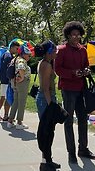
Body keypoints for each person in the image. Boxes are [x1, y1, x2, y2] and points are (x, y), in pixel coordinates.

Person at [54, 21, 95, 164]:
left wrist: (86, 71)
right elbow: (57, 69)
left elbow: (86, 65)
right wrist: (73, 73)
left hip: (81, 88)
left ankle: (83, 149)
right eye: (73, 35)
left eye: (78, 35)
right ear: (68, 35)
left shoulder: (83, 50)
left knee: (83, 119)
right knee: (68, 121)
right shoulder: (61, 50)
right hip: (68, 89)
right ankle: (71, 153)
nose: (76, 37)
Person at [35, 40, 61, 170]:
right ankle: (45, 163)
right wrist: (52, 106)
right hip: (46, 100)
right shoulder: (46, 65)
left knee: (49, 131)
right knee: (47, 131)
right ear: (49, 52)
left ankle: (47, 160)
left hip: (47, 99)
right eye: (54, 50)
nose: (56, 52)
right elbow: (45, 88)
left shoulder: (46, 63)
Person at [7, 45, 32, 130]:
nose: (29, 56)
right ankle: (19, 122)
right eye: (28, 55)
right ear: (23, 54)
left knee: (16, 102)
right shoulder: (21, 60)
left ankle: (10, 121)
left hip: (15, 83)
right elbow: (21, 68)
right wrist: (21, 77)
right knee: (22, 103)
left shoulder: (15, 59)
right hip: (22, 83)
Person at [0, 41, 20, 121]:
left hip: (3, 79)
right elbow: (9, 69)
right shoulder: (9, 56)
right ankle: (6, 115)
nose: (17, 50)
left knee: (2, 97)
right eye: (16, 48)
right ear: (12, 47)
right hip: (7, 80)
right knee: (8, 98)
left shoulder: (5, 54)